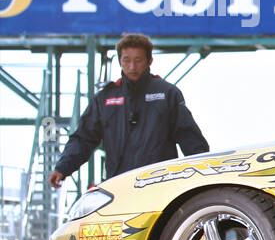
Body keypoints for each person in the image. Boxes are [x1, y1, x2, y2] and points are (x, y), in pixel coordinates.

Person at [49, 32, 208, 187]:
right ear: (120, 61)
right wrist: (62, 168)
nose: (132, 66)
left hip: (160, 185)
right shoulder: (104, 99)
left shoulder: (167, 94)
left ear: (149, 61)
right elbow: (83, 138)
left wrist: (205, 173)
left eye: (138, 60)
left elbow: (189, 136)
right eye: (126, 60)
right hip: (119, 187)